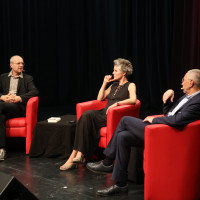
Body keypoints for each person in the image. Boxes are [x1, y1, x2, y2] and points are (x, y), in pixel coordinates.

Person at [86, 69, 200, 196]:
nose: (182, 82)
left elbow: (177, 120)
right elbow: (170, 114)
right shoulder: (187, 97)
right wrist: (167, 99)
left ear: (191, 83)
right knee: (123, 137)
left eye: (184, 79)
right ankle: (120, 184)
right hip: (163, 131)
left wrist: (155, 119)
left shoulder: (197, 101)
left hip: (168, 136)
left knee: (125, 120)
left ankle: (107, 162)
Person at [60, 58, 137, 170]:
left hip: (112, 116)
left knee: (87, 117)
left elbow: (134, 100)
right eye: (113, 70)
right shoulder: (113, 85)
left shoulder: (130, 85)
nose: (113, 73)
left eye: (115, 70)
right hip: (103, 113)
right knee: (85, 115)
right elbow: (99, 98)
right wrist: (104, 83)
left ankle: (74, 157)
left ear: (124, 73)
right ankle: (77, 154)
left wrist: (117, 104)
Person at [0, 55, 39, 160]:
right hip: (4, 107)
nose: (21, 65)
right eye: (18, 63)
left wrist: (19, 98)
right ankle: (2, 149)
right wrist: (3, 97)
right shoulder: (3, 77)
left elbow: (34, 92)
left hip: (18, 108)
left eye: (22, 63)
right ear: (11, 65)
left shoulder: (27, 78)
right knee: (1, 116)